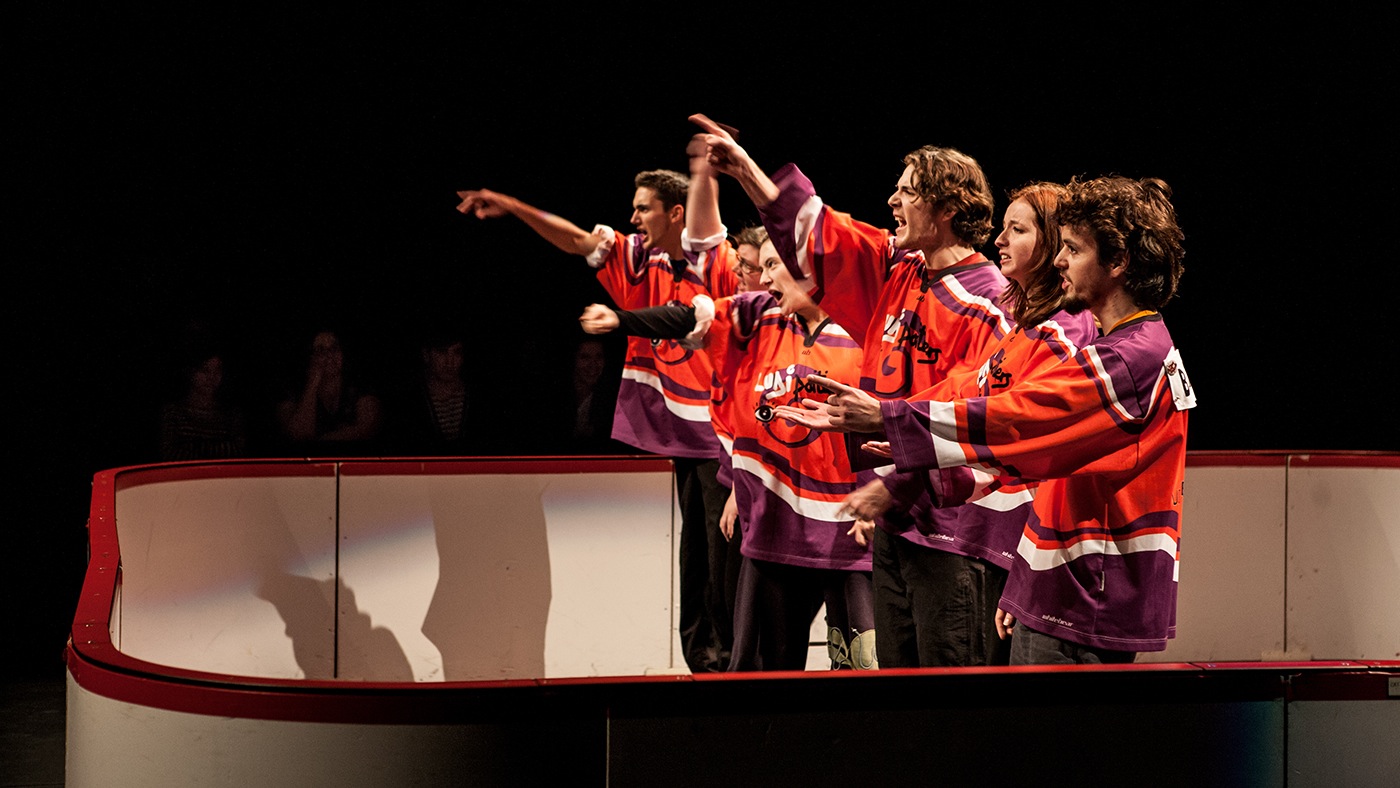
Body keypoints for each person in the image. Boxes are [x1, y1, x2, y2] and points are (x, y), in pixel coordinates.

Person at [780, 175, 1193, 665]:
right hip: (1063, 589)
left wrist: (889, 418)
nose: (1060, 261)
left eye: (1073, 249)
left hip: (1090, 600)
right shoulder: (1119, 345)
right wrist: (1024, 585)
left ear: (1119, 262)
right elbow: (1041, 462)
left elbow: (1020, 418)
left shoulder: (1127, 358)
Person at [689, 114, 1014, 668]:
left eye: (908, 191)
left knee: (949, 692)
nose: (892, 200)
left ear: (948, 208)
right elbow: (820, 234)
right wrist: (744, 170)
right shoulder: (900, 271)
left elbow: (984, 425)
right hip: (894, 528)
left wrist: (899, 481)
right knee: (892, 686)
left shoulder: (991, 305)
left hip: (950, 536)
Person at [456, 171, 741, 672]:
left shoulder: (718, 259)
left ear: (676, 212)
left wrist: (706, 170)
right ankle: (704, 664)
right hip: (684, 431)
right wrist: (514, 205)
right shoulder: (641, 258)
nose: (633, 217)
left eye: (644, 208)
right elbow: (577, 240)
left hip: (724, 431)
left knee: (724, 556)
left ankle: (737, 665)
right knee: (695, 556)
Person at [579, 231, 874, 670]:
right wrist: (623, 320)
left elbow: (891, 424)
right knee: (760, 671)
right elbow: (689, 317)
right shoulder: (759, 318)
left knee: (859, 666)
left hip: (845, 532)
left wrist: (878, 497)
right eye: (762, 266)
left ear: (808, 268)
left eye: (773, 266)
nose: (764, 279)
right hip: (773, 528)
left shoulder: (864, 328)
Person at [275, 328, 384, 454]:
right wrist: (312, 384)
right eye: (320, 350)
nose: (329, 354)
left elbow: (367, 429)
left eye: (334, 348)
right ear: (309, 356)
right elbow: (298, 436)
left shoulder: (360, 385)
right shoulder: (293, 391)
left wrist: (322, 441)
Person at [158, 346, 248, 461]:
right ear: (191, 372)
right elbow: (170, 454)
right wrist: (219, 448)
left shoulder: (230, 413)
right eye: (205, 370)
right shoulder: (173, 412)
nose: (212, 377)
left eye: (217, 371)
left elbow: (238, 452)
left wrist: (193, 446)